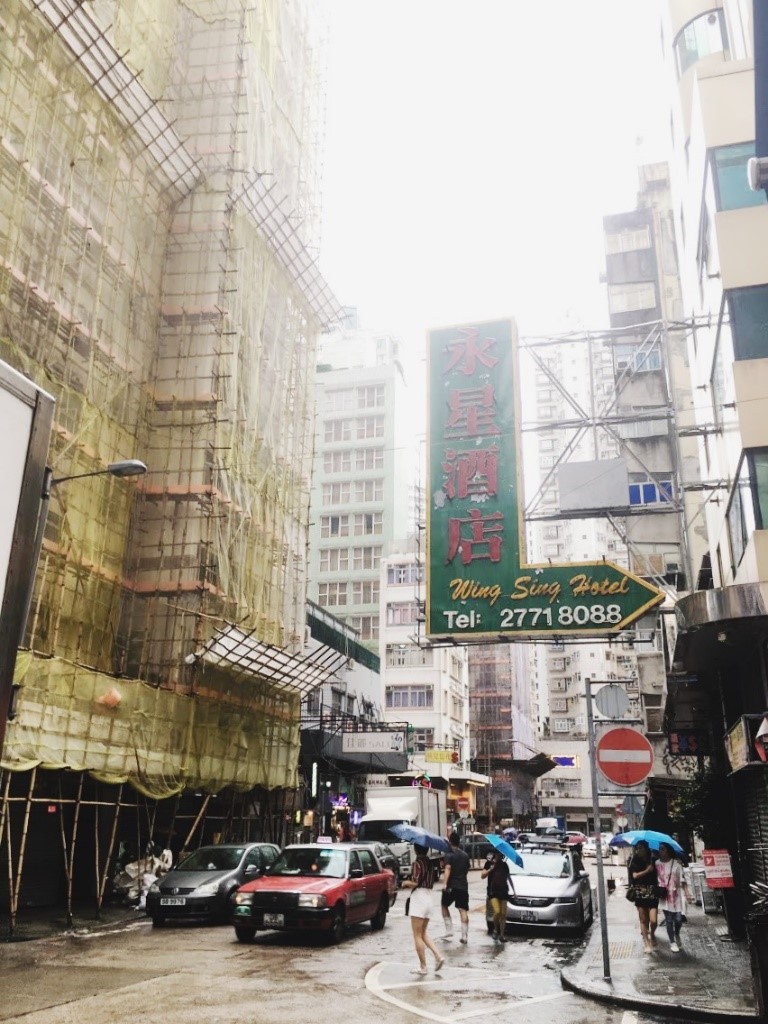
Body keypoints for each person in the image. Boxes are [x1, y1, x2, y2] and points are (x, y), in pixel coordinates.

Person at [403, 844, 444, 975]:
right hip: (429, 897)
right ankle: (438, 956)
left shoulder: (417, 863)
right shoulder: (430, 863)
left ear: (416, 850)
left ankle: (423, 966)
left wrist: (405, 883)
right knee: (423, 933)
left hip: (419, 898)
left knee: (417, 935)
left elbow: (415, 882)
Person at [656, 841, 691, 953]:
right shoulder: (656, 864)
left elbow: (682, 880)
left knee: (678, 919)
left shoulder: (676, 864)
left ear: (668, 850)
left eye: (663, 849)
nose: (660, 851)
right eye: (660, 849)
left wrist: (687, 893)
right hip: (664, 895)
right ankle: (672, 942)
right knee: (669, 919)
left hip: (676, 896)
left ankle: (677, 933)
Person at [627, 838, 659, 953]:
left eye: (640, 848)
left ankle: (653, 934)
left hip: (652, 891)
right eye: (637, 848)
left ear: (646, 849)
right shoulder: (634, 860)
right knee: (643, 919)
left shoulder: (653, 860)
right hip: (640, 891)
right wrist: (647, 871)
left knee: (653, 920)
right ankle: (646, 942)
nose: (638, 850)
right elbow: (635, 876)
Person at [441, 832, 470, 943]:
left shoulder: (449, 855)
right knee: (463, 910)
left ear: (450, 841)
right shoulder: (465, 855)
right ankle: (464, 936)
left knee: (444, 905)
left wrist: (445, 883)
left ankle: (449, 930)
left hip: (451, 886)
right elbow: (467, 869)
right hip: (463, 886)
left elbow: (448, 868)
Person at [481, 849, 511, 944]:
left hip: (503, 892)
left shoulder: (505, 865)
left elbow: (508, 878)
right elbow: (482, 875)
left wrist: (513, 890)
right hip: (493, 892)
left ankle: (501, 935)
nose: (499, 856)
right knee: (497, 911)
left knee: (503, 914)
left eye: (501, 854)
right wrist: (490, 869)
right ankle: (495, 929)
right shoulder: (489, 864)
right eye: (497, 854)